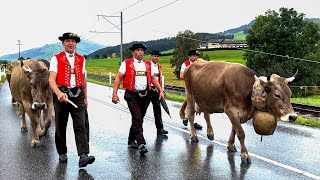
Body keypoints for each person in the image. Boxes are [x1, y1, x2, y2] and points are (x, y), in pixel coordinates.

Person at [49, 32, 95, 168]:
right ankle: (62, 152)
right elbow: (51, 80)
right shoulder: (56, 59)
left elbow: (84, 79)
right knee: (60, 125)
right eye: (68, 41)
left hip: (78, 94)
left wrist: (85, 97)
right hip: (61, 94)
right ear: (63, 43)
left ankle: (83, 155)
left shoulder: (82, 59)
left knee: (81, 125)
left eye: (73, 41)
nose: (70, 43)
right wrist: (58, 93)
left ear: (76, 44)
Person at [112, 44, 165, 155]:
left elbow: (153, 78)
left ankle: (131, 139)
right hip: (132, 95)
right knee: (137, 118)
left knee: (139, 118)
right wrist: (114, 94)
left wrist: (160, 89)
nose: (140, 52)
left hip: (145, 95)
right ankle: (141, 143)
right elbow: (118, 78)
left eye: (142, 50)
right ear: (133, 53)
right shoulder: (126, 63)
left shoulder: (147, 64)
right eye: (138, 50)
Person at [146, 50, 168, 135]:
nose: (156, 57)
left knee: (158, 110)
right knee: (143, 110)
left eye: (157, 56)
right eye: (154, 56)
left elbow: (160, 79)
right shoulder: (147, 65)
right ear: (151, 56)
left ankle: (160, 129)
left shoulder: (159, 66)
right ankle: (138, 130)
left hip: (156, 91)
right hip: (148, 90)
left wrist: (161, 90)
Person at [180, 50, 203, 130]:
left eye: (196, 56)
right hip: (189, 86)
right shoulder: (185, 64)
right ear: (189, 56)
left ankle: (191, 120)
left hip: (199, 87)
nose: (195, 57)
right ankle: (187, 118)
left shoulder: (200, 64)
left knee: (196, 103)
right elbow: (181, 76)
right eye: (193, 56)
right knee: (190, 102)